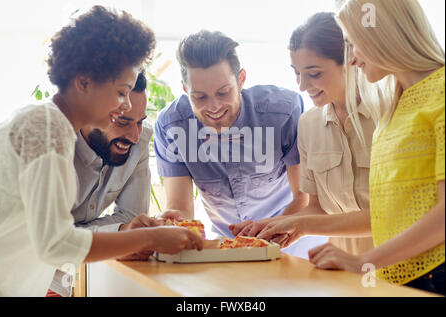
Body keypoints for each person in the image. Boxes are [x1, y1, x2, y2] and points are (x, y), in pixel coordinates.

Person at [0, 6, 202, 297]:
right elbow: (57, 245)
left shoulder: (48, 123)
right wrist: (150, 237)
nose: (126, 105)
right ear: (83, 82)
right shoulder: (45, 128)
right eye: (121, 92)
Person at [308, 0, 445, 295]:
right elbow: (389, 213)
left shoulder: (442, 93)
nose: (352, 59)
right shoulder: (395, 107)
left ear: (382, 36)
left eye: (353, 43)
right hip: (398, 279)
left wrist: (362, 261)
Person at [154, 30, 326, 257]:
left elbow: (303, 198)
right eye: (200, 97)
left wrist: (268, 230)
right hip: (228, 246)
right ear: (186, 90)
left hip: (293, 241)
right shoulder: (171, 126)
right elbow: (180, 207)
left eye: (223, 92)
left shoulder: (282, 111)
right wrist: (170, 223)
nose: (214, 106)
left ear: (241, 79)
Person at [234, 12, 376, 257]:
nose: (301, 86)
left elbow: (394, 214)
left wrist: (301, 224)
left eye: (314, 74)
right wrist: (272, 226)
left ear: (350, 60)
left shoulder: (387, 115)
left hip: (401, 268)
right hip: (340, 270)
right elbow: (318, 208)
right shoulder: (309, 125)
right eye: (297, 73)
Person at [48, 70, 157, 297]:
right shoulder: (50, 141)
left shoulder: (139, 140)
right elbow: (51, 244)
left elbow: (129, 218)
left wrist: (121, 232)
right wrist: (123, 236)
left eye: (140, 122)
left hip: (75, 273)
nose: (135, 136)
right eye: (123, 121)